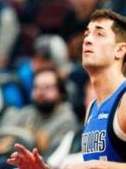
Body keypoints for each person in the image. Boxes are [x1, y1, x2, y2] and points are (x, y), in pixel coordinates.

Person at [8, 9, 126, 168]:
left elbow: (95, 166)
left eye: (99, 34)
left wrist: (97, 166)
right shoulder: (92, 107)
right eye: (87, 34)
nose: (88, 40)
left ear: (120, 50)